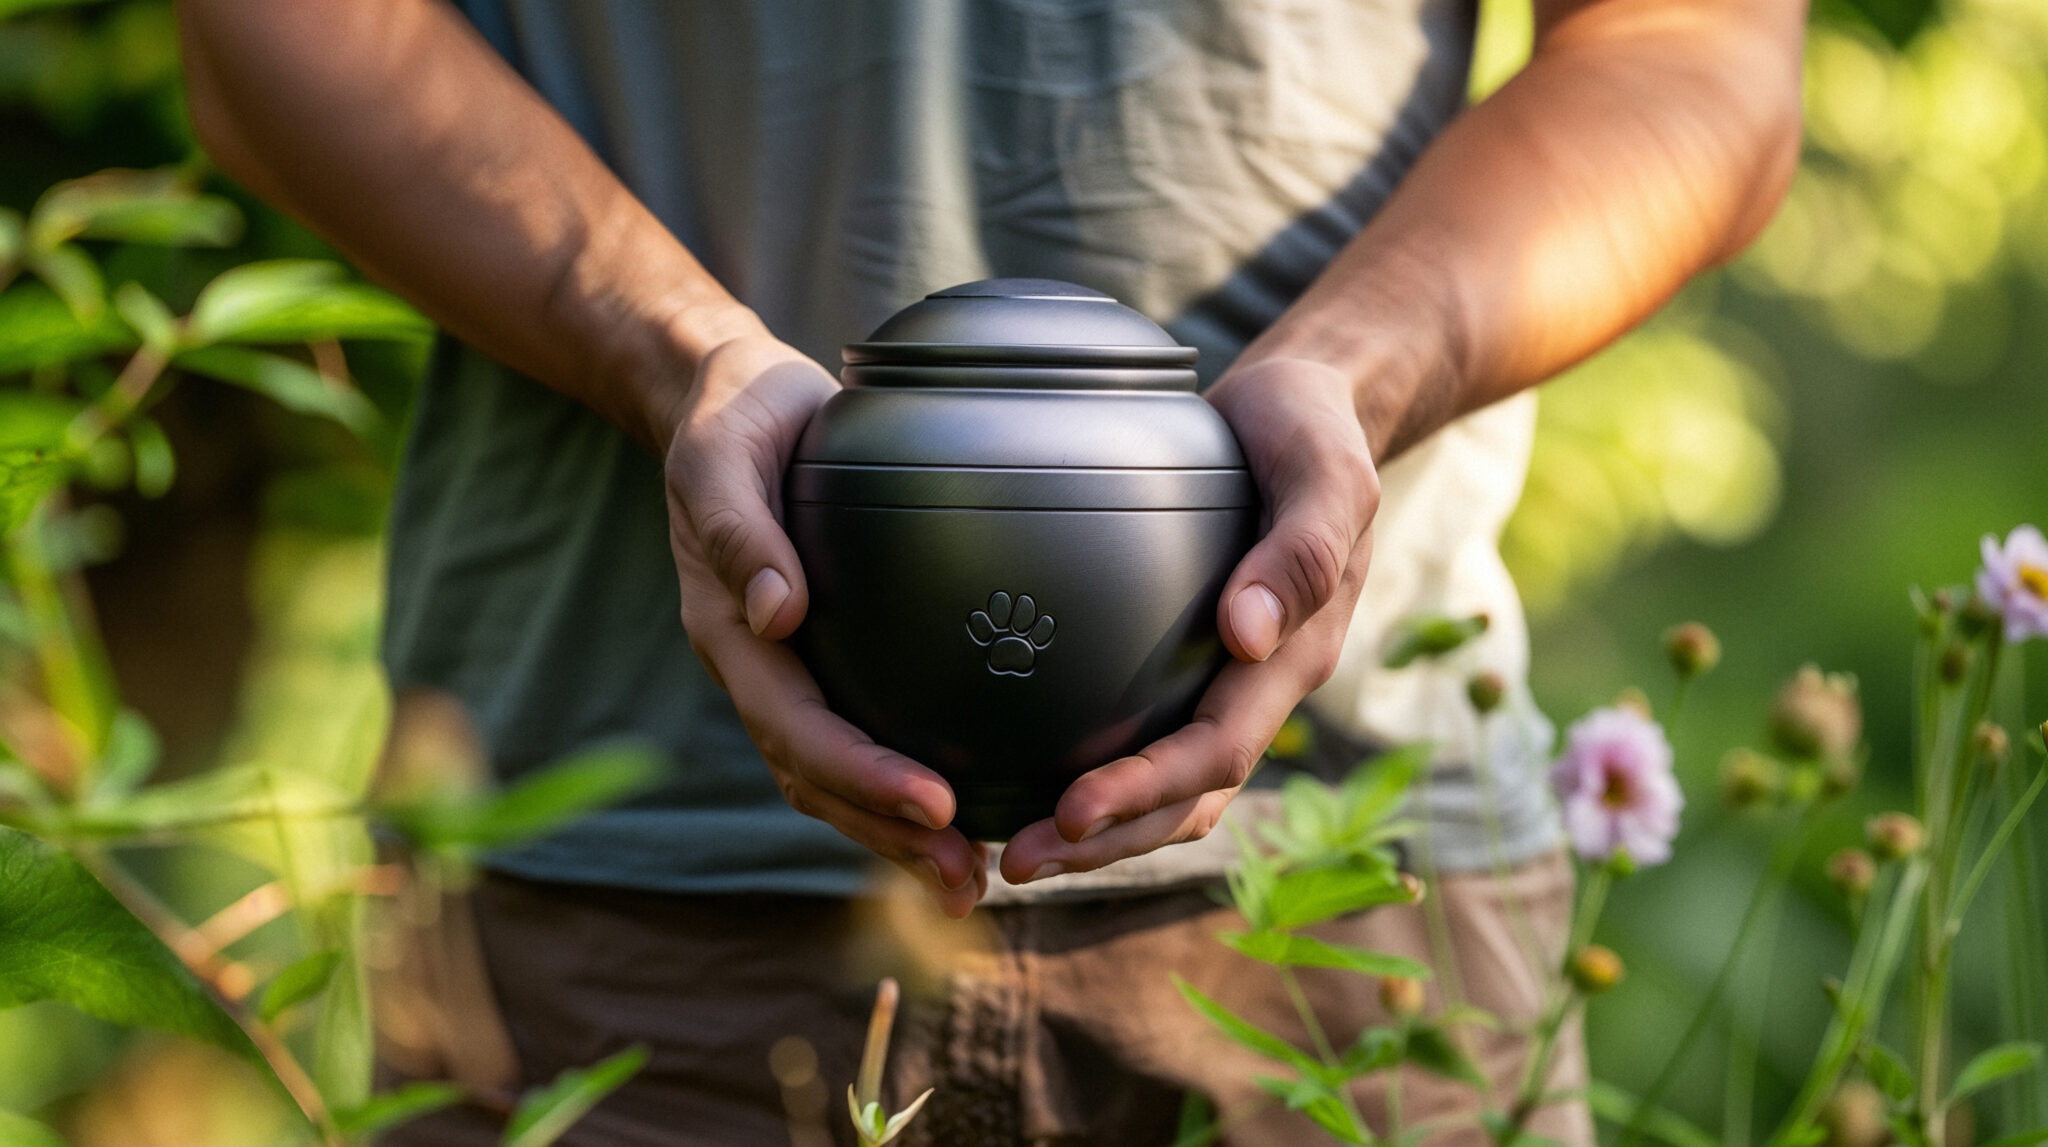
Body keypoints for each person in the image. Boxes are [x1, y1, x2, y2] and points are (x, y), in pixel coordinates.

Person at [175, 1, 1804, 1143]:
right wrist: (672, 356)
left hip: (1351, 914)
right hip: (610, 907)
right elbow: (274, 34)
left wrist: (1353, 377)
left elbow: (1697, 47)